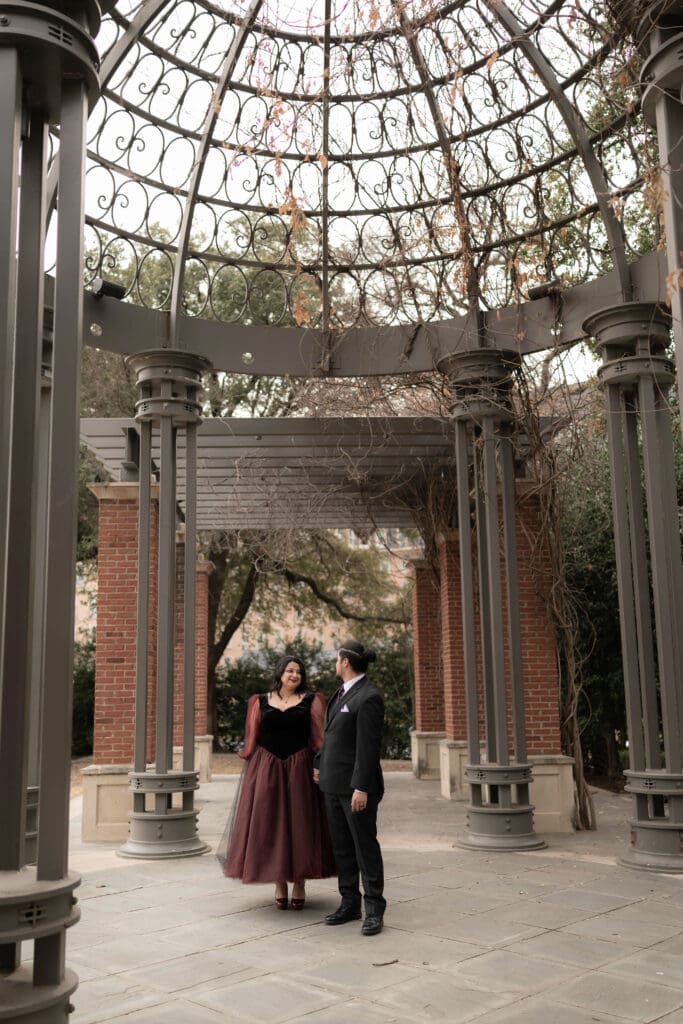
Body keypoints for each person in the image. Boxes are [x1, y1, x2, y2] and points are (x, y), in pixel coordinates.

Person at [220, 655, 335, 909]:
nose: (295, 675)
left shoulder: (312, 700)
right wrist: (254, 770)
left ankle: (299, 882)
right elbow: (252, 738)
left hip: (300, 769)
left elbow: (320, 740)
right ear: (280, 673)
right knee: (270, 824)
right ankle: (279, 882)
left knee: (300, 825)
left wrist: (321, 766)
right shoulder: (259, 701)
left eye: (299, 672)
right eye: (290, 670)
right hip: (267, 768)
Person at [314, 639, 386, 936]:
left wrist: (361, 787)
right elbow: (332, 735)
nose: (335, 663)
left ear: (345, 661)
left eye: (336, 659)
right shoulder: (342, 692)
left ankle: (374, 910)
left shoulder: (369, 697)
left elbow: (368, 748)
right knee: (342, 848)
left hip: (356, 789)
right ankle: (350, 903)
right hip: (332, 784)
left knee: (364, 848)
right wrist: (319, 763)